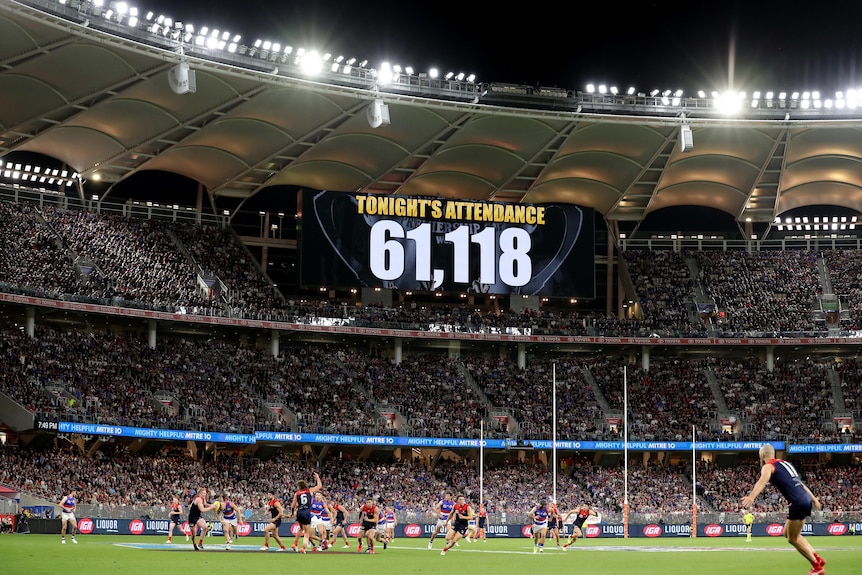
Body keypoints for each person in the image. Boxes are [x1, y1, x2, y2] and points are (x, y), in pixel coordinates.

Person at [742, 445, 826, 575]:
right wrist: (814, 499)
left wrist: (751, 497)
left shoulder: (768, 466)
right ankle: (817, 558)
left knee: (792, 539)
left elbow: (761, 482)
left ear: (762, 455)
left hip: (797, 502)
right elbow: (800, 484)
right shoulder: (786, 464)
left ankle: (817, 567)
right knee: (787, 533)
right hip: (804, 499)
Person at [291, 472, 322, 554]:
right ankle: (303, 548)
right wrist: (317, 478)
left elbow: (293, 505)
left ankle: (295, 544)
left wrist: (292, 513)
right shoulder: (310, 491)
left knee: (301, 529)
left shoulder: (297, 493)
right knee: (307, 533)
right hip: (306, 512)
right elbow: (319, 486)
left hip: (299, 512)